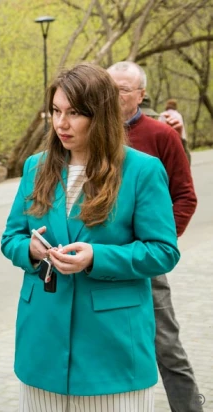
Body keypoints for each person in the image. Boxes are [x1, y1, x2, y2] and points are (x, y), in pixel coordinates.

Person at [1, 63, 181, 411]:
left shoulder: (142, 170)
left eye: (74, 113)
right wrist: (31, 251)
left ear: (100, 115)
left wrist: (96, 257)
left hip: (111, 350)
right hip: (42, 344)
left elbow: (163, 251)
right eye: (55, 111)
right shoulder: (36, 167)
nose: (61, 123)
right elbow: (11, 237)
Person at [108, 61, 201, 412]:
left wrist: (158, 244)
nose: (114, 96)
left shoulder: (161, 136)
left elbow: (185, 196)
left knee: (167, 348)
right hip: (96, 259)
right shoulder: (89, 131)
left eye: (123, 90)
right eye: (109, 88)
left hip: (143, 263)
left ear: (141, 95)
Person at [159, 98, 191, 164]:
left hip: (164, 140)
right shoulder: (178, 115)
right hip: (178, 138)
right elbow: (182, 131)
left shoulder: (162, 115)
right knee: (185, 156)